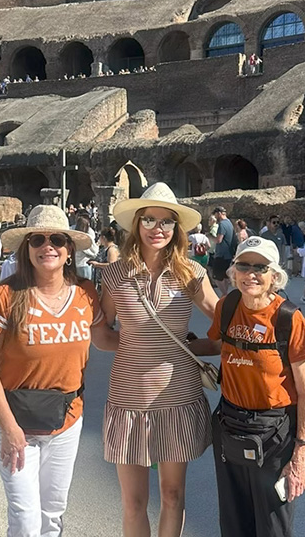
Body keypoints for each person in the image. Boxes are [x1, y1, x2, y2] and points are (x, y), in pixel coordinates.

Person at [0, 205, 118, 537]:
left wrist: (158, 344)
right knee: (25, 521)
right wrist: (10, 429)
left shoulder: (85, 293)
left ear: (69, 251)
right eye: (37, 239)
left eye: (57, 239)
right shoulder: (5, 294)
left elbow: (106, 340)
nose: (47, 246)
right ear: (27, 249)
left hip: (66, 419)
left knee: (52, 516)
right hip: (14, 421)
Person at [99, 183, 219, 537]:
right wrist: (137, 345)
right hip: (128, 396)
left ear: (177, 229)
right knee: (133, 502)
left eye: (167, 222)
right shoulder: (115, 275)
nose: (158, 229)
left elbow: (226, 322)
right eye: (149, 219)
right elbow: (102, 334)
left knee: (171, 494)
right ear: (136, 225)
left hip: (177, 396)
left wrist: (193, 348)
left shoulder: (191, 274)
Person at [201, 237, 305, 537]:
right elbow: (216, 342)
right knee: (234, 519)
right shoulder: (227, 306)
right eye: (243, 265)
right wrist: (170, 344)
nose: (250, 274)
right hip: (230, 425)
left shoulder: (288, 318)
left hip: (274, 435)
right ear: (233, 271)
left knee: (271, 525)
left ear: (274, 276)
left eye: (260, 267)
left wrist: (300, 456)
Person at [211, 206, 235, 296]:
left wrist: (210, 236)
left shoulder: (222, 224)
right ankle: (225, 294)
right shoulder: (230, 223)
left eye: (216, 214)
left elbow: (218, 240)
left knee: (217, 277)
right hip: (228, 254)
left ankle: (225, 294)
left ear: (219, 214)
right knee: (224, 277)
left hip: (221, 254)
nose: (215, 217)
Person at [88, 226, 121, 291]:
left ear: (103, 238)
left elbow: (112, 265)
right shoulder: (104, 248)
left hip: (107, 282)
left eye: (100, 236)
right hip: (101, 281)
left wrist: (97, 264)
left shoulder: (112, 249)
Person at [73, 215, 98, 280]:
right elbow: (94, 252)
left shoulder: (73, 236)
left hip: (74, 265)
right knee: (86, 287)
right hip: (84, 265)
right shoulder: (87, 237)